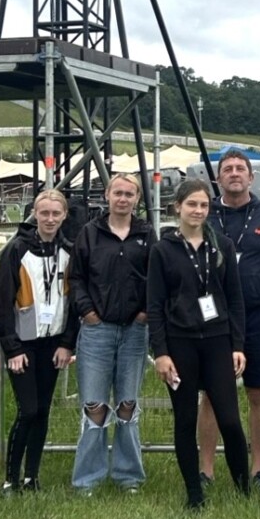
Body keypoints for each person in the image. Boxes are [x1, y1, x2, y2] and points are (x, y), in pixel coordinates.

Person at [148, 179, 248, 509]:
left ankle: (244, 488)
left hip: (218, 340)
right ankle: (194, 493)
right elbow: (155, 305)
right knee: (185, 419)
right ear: (178, 207)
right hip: (180, 343)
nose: (198, 210)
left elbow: (235, 299)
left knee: (230, 419)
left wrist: (237, 344)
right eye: (192, 204)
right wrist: (160, 353)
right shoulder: (163, 250)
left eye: (204, 205)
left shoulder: (222, 246)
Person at [199, 150, 260, 492]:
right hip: (213, 321)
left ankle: (258, 469)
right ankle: (206, 471)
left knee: (257, 394)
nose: (234, 173)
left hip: (255, 318)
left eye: (240, 169)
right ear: (218, 178)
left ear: (251, 177)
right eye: (228, 169)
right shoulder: (205, 214)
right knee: (210, 395)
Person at [69, 173, 155, 495]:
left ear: (137, 199)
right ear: (107, 195)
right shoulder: (89, 234)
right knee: (94, 404)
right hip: (97, 331)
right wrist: (87, 312)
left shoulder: (147, 233)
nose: (123, 198)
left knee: (127, 405)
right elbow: (76, 278)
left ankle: (128, 476)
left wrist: (146, 312)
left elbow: (156, 277)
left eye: (129, 194)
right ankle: (87, 479)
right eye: (117, 192)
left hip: (134, 330)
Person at [0, 189, 78, 495]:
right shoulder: (17, 249)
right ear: (34, 214)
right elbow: (0, 301)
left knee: (42, 410)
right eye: (44, 213)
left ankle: (32, 476)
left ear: (64, 215)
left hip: (53, 344)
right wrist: (11, 347)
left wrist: (68, 343)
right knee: (27, 410)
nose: (50, 219)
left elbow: (75, 303)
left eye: (56, 213)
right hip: (23, 344)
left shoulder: (70, 250)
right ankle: (10, 478)